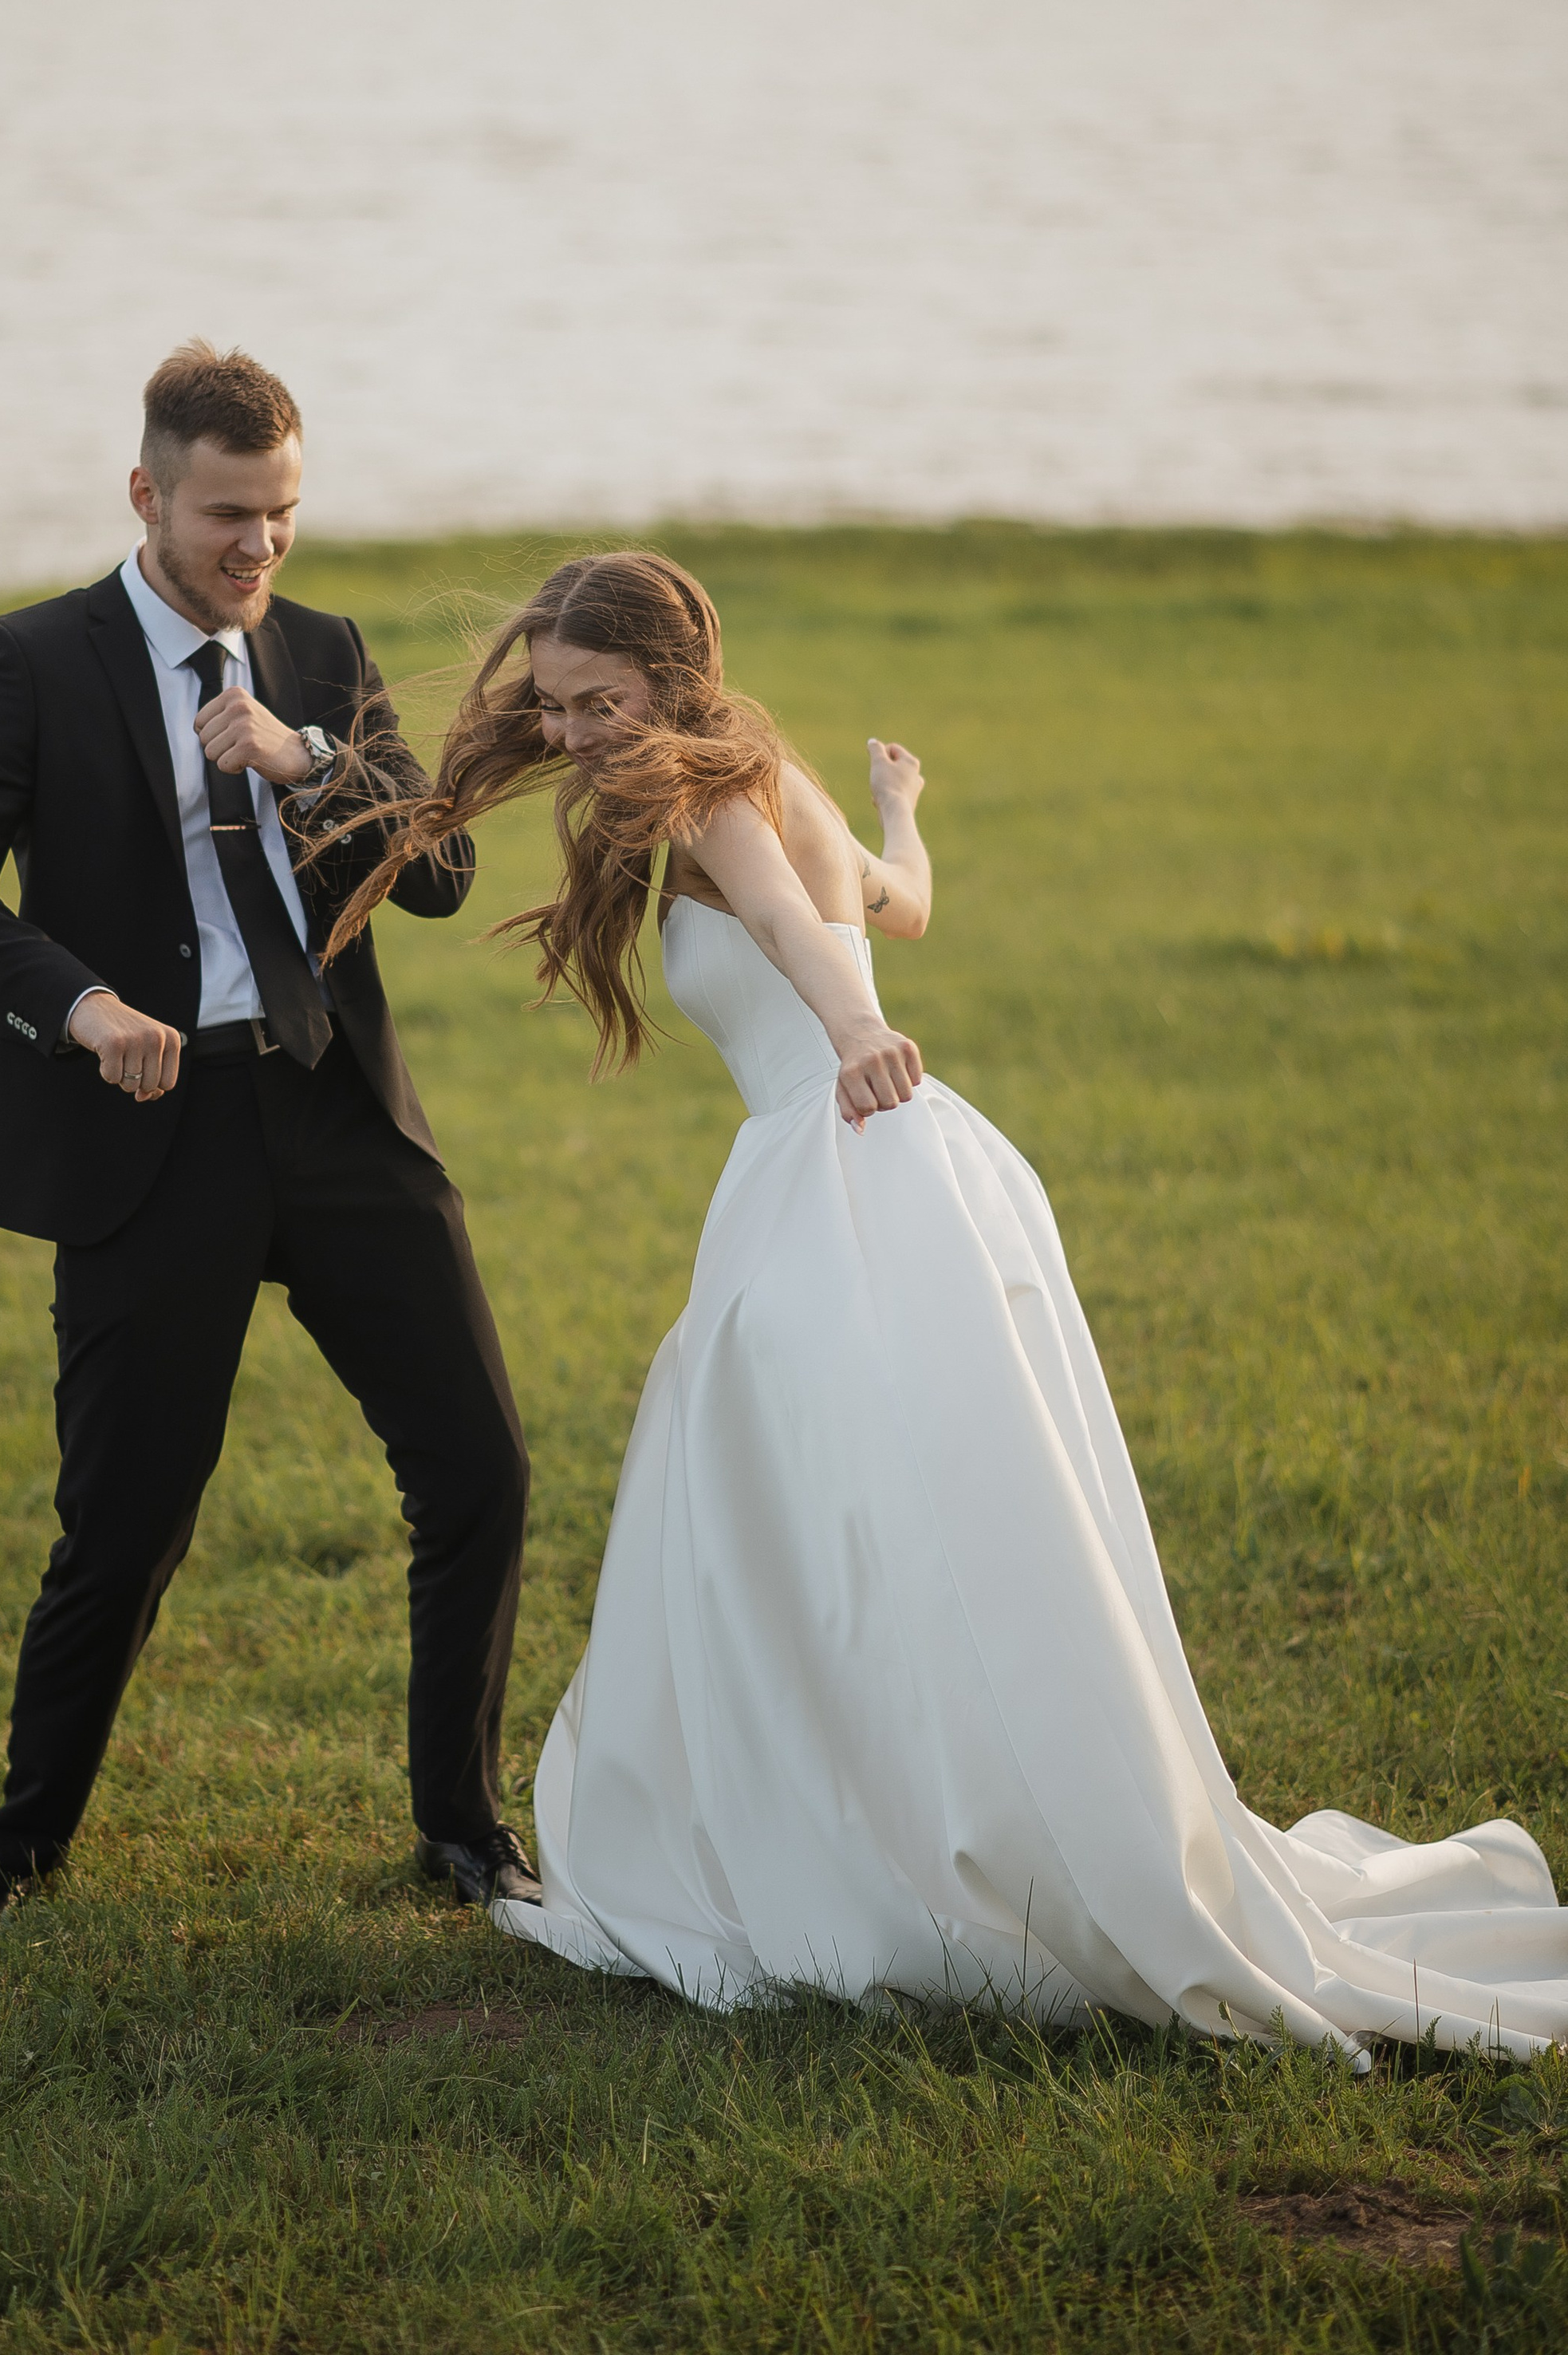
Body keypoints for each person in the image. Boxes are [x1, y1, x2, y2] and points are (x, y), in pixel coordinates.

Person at [324, 547, 1568, 2057]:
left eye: (601, 702)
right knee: (862, 1512)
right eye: (558, 706)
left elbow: (800, 931)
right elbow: (895, 905)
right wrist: (902, 808)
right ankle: (904, 1807)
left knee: (798, 1506)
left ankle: (875, 1840)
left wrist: (857, 1034)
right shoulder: (771, 775)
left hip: (839, 1158)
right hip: (883, 1161)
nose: (573, 733)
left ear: (672, 680)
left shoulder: (711, 797)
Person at [0, 342, 537, 1923]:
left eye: (282, 512)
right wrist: (79, 1004)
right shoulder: (30, 660)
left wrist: (315, 765)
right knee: (125, 1523)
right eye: (229, 514)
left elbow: (437, 877)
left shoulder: (321, 650)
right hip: (151, 1133)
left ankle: (461, 1833)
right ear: (147, 495)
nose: (260, 545)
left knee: (479, 1471)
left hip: (336, 1107)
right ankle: (21, 1848)